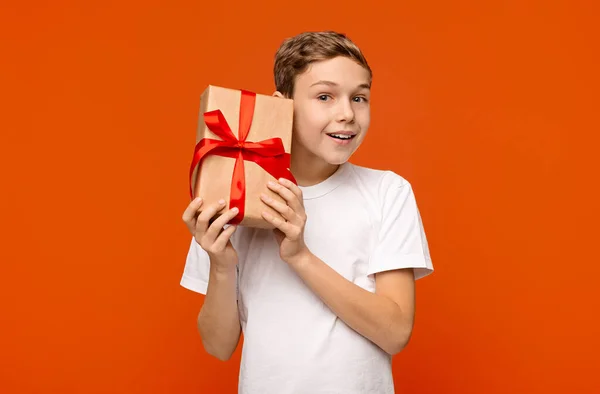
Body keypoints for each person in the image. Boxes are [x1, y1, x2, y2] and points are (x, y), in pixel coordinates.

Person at [180, 31, 434, 394]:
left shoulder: (387, 192)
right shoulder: (234, 192)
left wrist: (300, 256)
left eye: (359, 97)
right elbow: (218, 346)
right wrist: (221, 264)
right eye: (325, 96)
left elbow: (395, 333)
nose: (347, 113)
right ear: (283, 105)